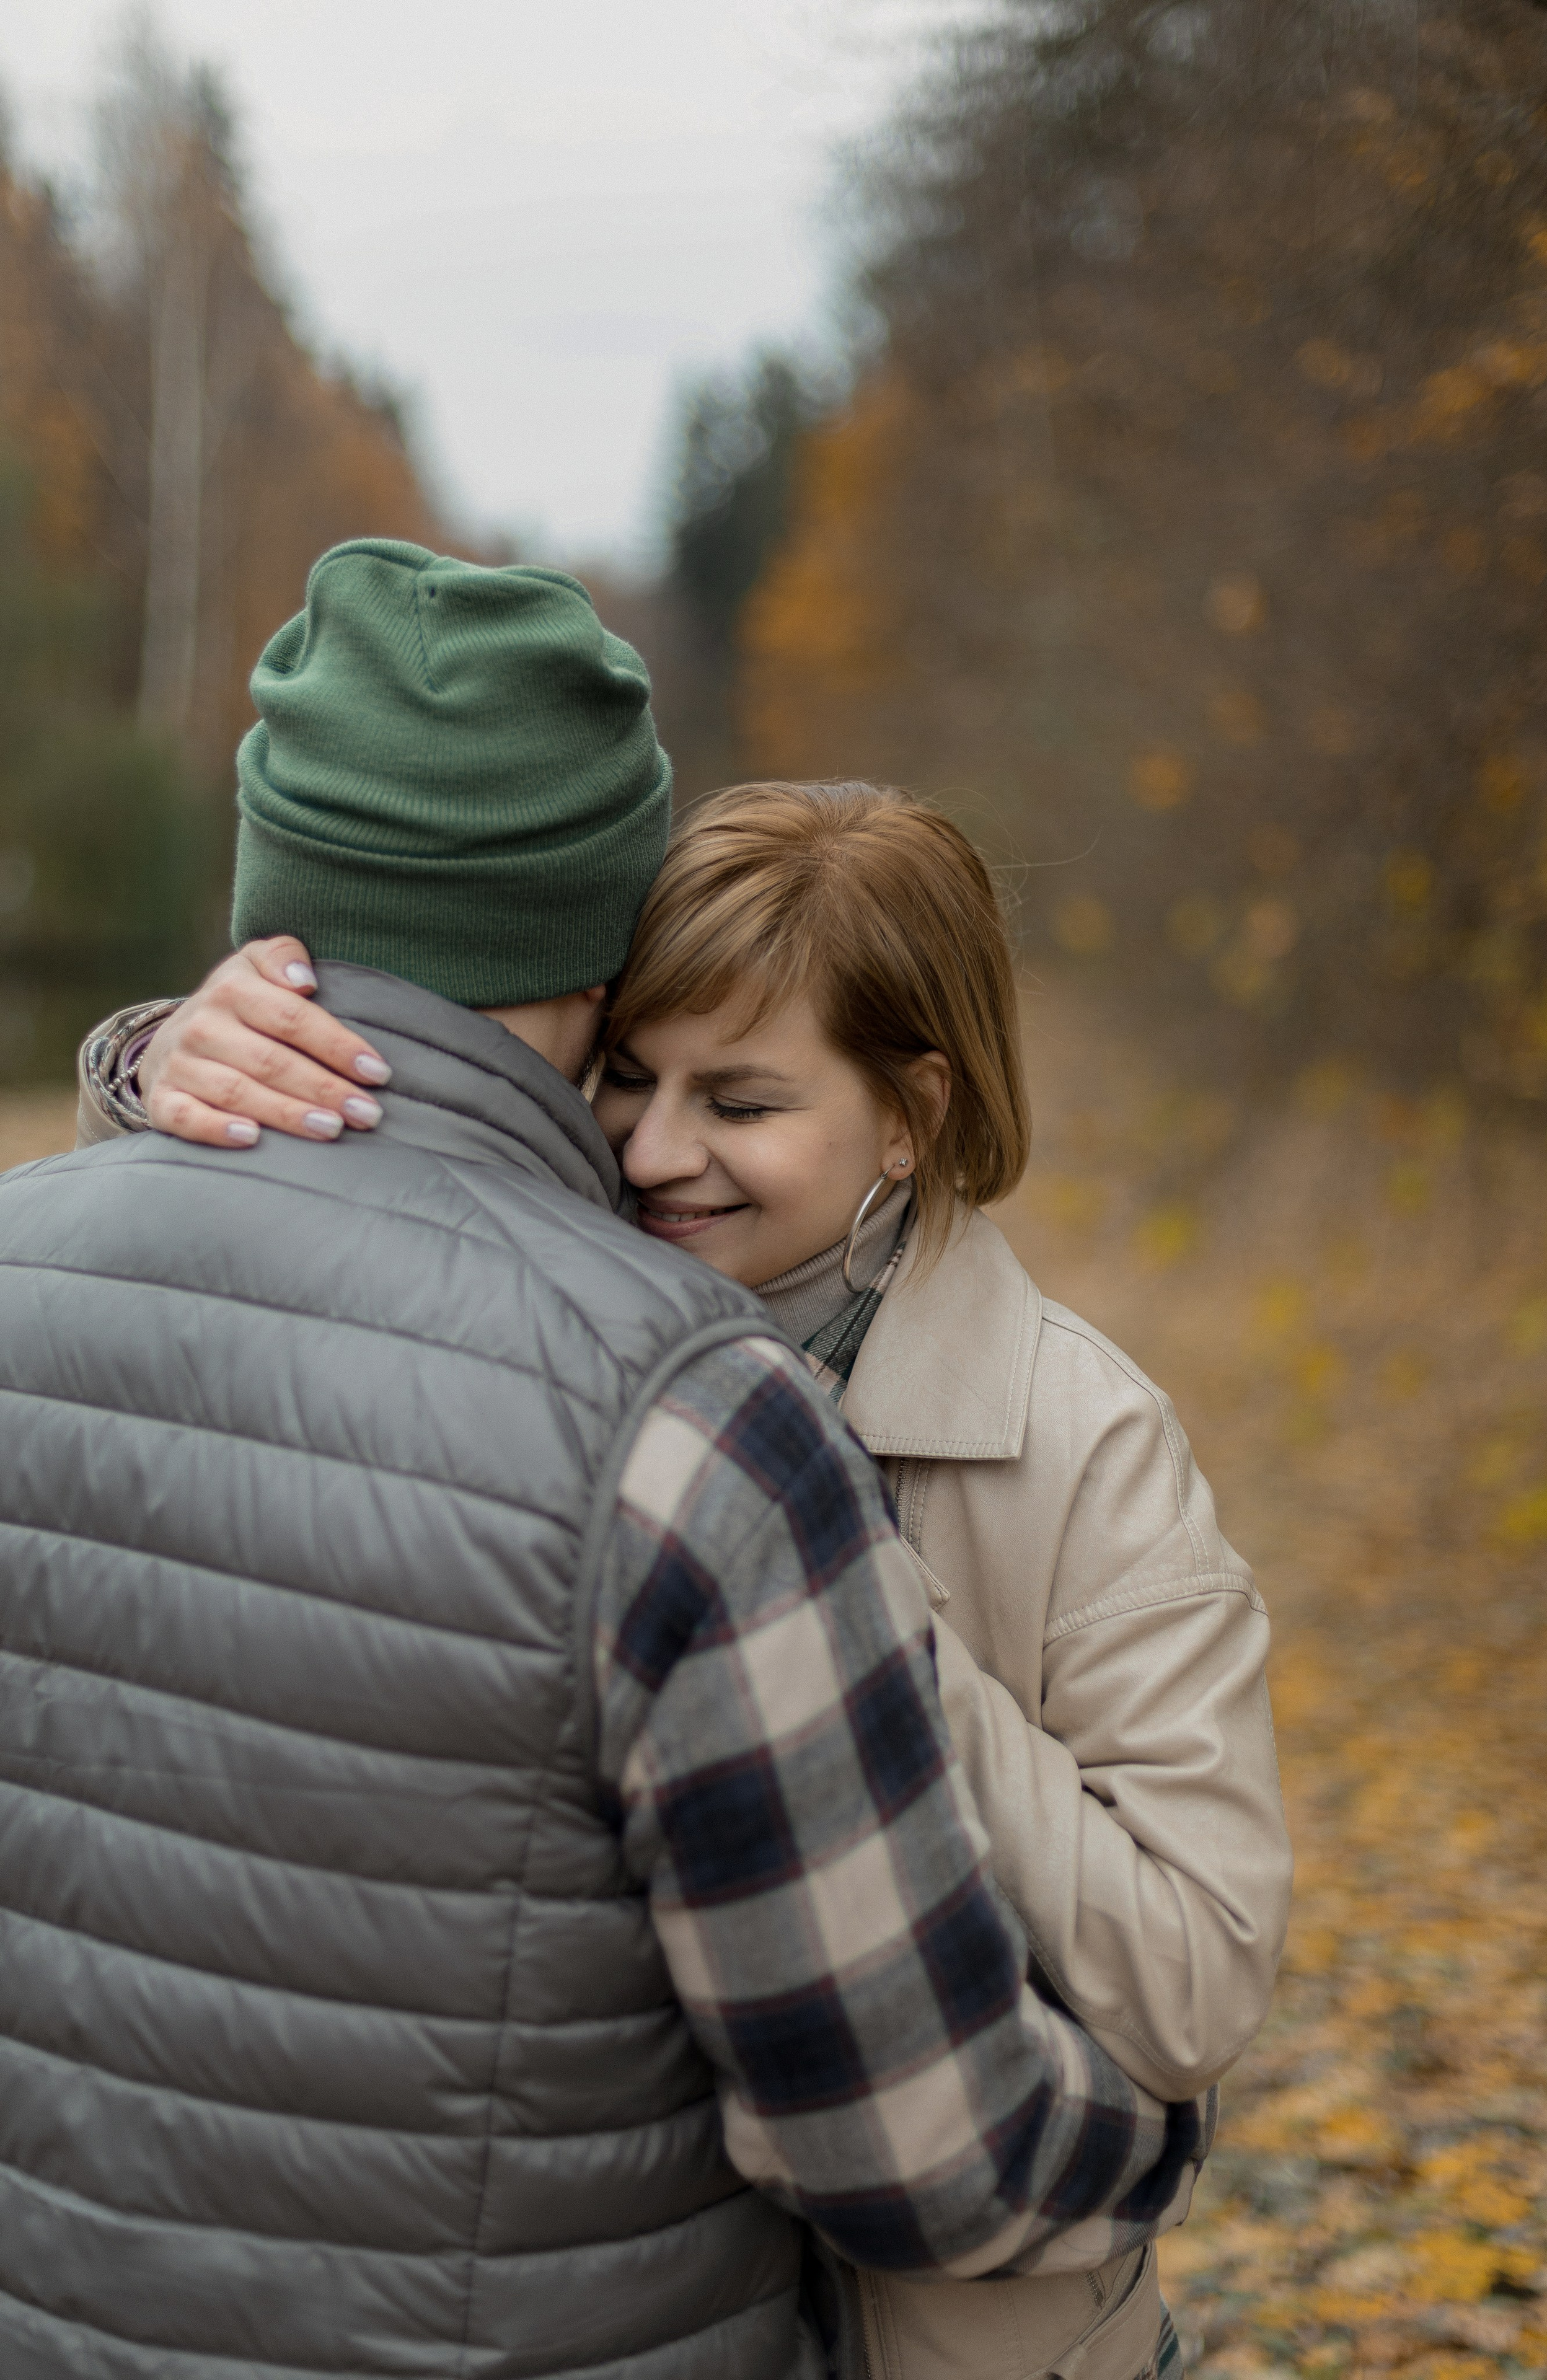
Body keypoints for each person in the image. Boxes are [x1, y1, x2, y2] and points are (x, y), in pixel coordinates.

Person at [1, 543, 1207, 2380]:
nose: (660, 1148)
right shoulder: (692, 1423)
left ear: (275, 902)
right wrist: (1150, 2149)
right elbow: (923, 2154)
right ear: (599, 931)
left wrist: (141, 1081)